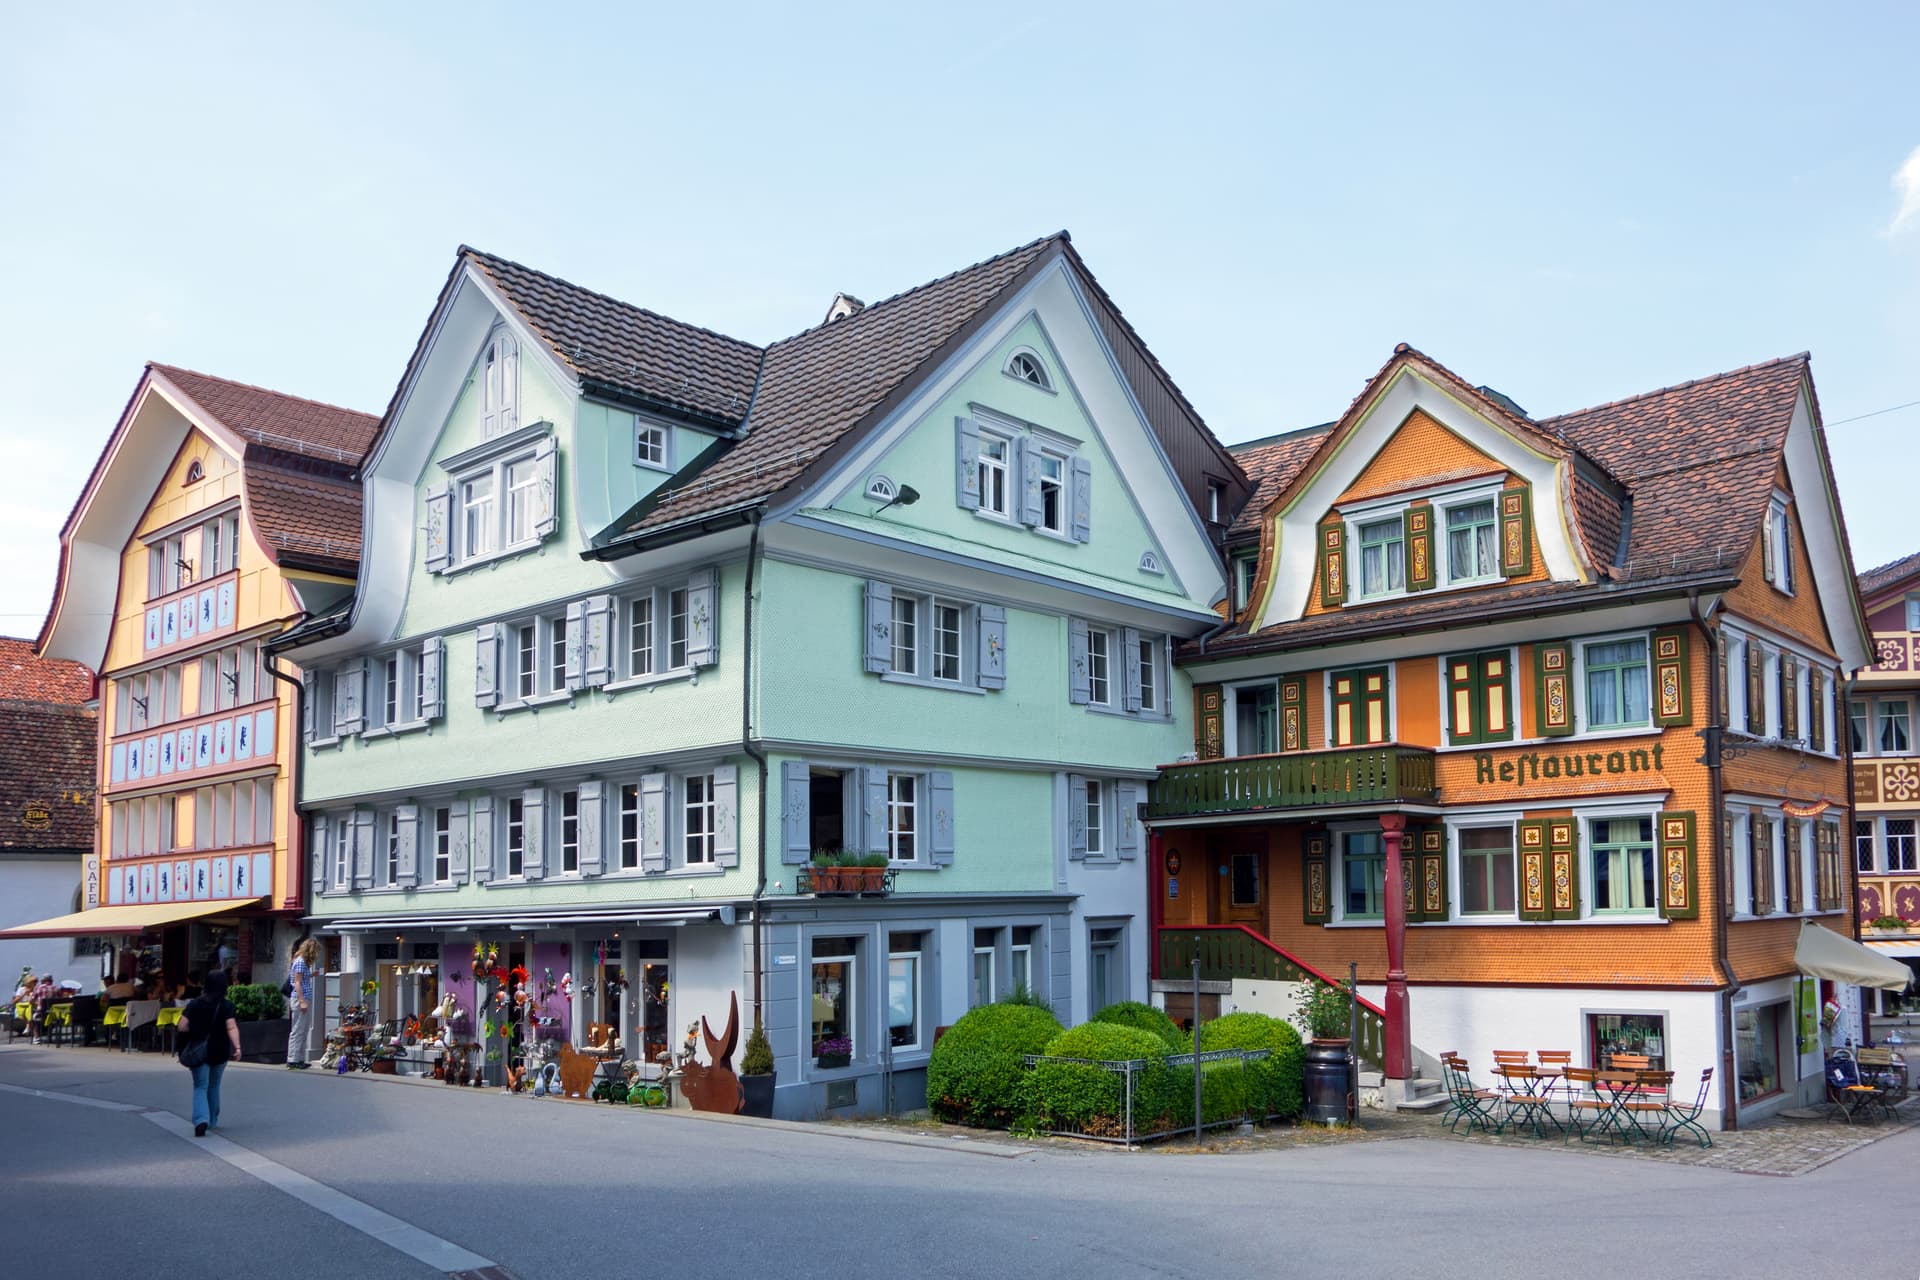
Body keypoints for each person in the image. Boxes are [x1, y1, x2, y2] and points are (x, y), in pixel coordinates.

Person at [181, 970, 242, 1136]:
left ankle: (201, 1119)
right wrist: (237, 1047)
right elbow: (231, 1027)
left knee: (200, 1086)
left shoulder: (194, 1004)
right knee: (214, 1085)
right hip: (220, 1050)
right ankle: (213, 1121)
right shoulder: (227, 1005)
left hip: (198, 1050)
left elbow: (182, 1026)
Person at [286, 937, 318, 1070]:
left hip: (303, 998)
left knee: (303, 1030)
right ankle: (293, 1059)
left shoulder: (301, 962)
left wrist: (311, 975)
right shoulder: (300, 962)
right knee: (298, 1030)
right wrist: (302, 1001)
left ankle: (299, 1059)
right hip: (301, 999)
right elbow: (297, 982)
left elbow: (300, 979)